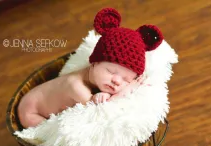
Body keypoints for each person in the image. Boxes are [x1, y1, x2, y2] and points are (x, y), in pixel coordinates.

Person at [17, 7, 163, 128]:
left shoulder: (94, 77)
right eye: (110, 71)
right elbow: (101, 111)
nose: (117, 81)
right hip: (31, 111)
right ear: (94, 63)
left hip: (37, 103)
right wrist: (127, 89)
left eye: (126, 79)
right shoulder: (76, 87)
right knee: (52, 130)